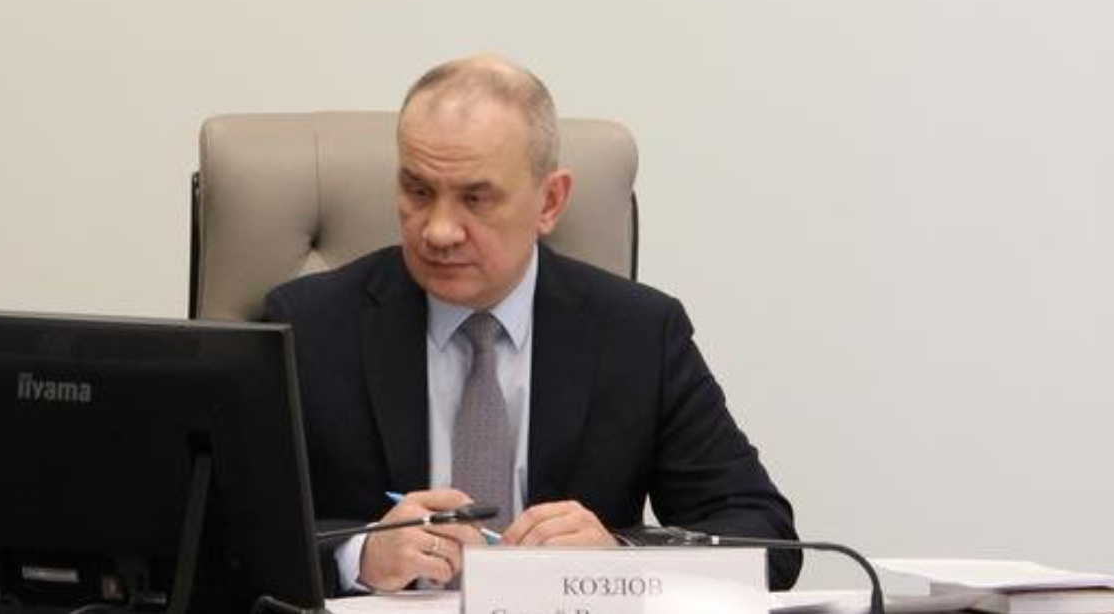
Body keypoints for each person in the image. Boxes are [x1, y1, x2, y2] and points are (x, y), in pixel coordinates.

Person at [263, 54, 800, 595]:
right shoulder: (307, 326)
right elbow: (232, 540)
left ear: (550, 201)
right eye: (419, 191)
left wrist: (620, 558)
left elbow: (766, 538)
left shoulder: (639, 334)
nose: (439, 231)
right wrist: (357, 554)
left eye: (475, 198)